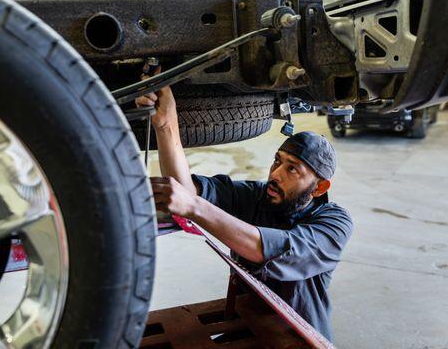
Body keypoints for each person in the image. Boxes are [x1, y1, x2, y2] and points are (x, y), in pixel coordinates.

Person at [137, 86, 353, 341]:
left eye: (292, 169)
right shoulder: (258, 196)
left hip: (298, 339)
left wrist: (194, 206)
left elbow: (267, 248)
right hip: (247, 326)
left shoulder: (334, 224)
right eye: (277, 161)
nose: (275, 174)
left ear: (320, 188)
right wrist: (166, 125)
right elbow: (185, 189)